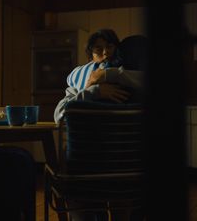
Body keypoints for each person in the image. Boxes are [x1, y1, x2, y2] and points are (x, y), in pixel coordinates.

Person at [54, 33, 147, 221]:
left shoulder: (131, 78)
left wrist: (108, 75)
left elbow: (60, 117)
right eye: (98, 48)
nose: (105, 52)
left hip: (95, 172)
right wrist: (94, 91)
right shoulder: (80, 81)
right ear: (90, 56)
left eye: (110, 46)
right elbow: (59, 114)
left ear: (118, 51)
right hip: (121, 174)